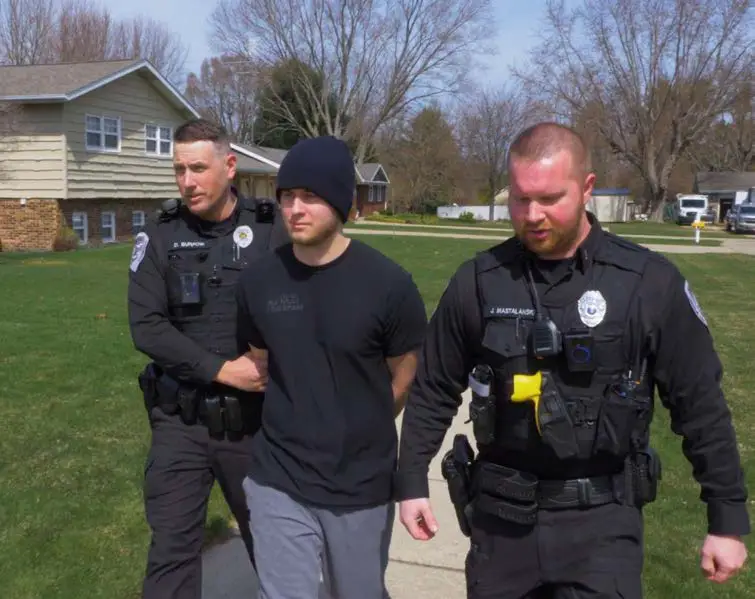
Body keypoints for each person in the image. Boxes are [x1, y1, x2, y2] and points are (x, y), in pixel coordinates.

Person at [394, 122, 750, 598]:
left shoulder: (646, 282)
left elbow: (699, 403)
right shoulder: (479, 282)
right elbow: (434, 388)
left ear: (587, 188)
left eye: (549, 199)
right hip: (501, 524)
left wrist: (726, 517)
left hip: (602, 527)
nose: (532, 215)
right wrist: (412, 480)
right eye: (520, 199)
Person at [234, 135, 428, 599]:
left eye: (310, 196)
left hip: (359, 484)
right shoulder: (259, 281)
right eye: (287, 196)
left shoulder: (389, 285)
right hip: (278, 477)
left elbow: (404, 378)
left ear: (340, 203)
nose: (295, 209)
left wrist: (360, 425)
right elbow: (259, 358)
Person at [127, 118, 289, 599]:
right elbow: (147, 326)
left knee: (280, 554)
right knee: (171, 557)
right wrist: (223, 371)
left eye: (198, 168)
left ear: (230, 166)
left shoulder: (271, 228)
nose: (187, 181)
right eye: (179, 170)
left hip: (257, 427)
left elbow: (307, 304)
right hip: (181, 423)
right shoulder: (160, 234)